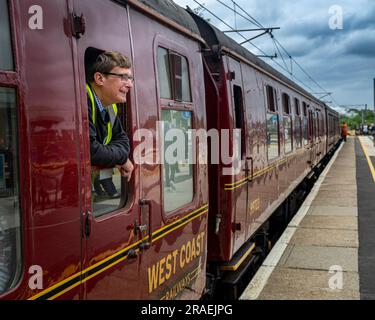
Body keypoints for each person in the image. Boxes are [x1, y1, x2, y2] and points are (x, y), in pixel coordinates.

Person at [86, 51, 134, 197]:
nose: (130, 85)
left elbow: (123, 140)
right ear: (100, 78)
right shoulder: (83, 101)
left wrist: (119, 155)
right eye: (123, 78)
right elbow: (91, 151)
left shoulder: (110, 106)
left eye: (131, 78)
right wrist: (122, 158)